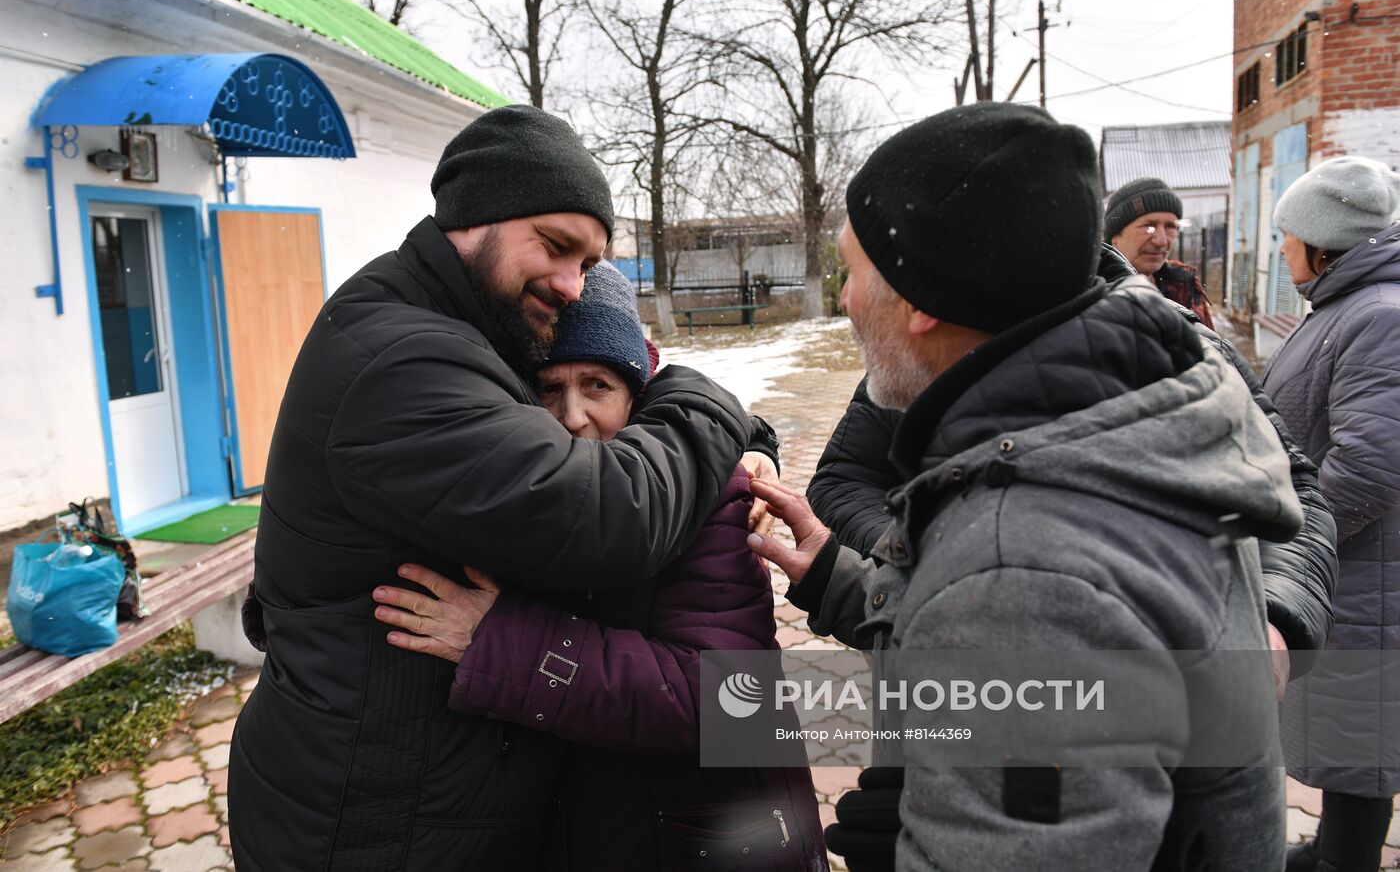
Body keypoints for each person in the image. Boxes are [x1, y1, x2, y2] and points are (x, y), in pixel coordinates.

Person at [746, 101, 1305, 870]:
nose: (842, 297)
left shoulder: (1020, 562)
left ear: (923, 303)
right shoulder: (1111, 417)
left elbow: (1035, 599)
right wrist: (850, 583)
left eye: (855, 269)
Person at [228, 105, 780, 870]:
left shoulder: (456, 329)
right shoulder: (406, 356)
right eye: (556, 247)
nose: (568, 282)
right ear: (475, 216)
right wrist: (718, 409)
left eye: (587, 264)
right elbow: (600, 516)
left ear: (639, 390)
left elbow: (744, 706)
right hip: (373, 828)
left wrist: (737, 435)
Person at [369, 260, 828, 871]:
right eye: (548, 388)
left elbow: (727, 699)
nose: (573, 416)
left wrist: (500, 643)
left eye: (597, 386)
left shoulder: (702, 494)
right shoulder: (508, 486)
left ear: (638, 393)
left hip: (708, 831)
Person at [1259, 155, 1400, 872]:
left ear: (1323, 243)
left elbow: (1373, 467)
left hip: (1364, 571)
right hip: (1356, 568)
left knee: (1362, 736)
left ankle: (1347, 860)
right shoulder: (1350, 308)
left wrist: (1299, 537)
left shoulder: (1377, 317)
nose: (1280, 247)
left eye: (1287, 235)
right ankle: (1336, 850)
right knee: (1354, 736)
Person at [1104, 176, 1215, 326]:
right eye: (1149, 226)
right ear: (1115, 237)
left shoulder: (1183, 286)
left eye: (1170, 227)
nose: (1161, 241)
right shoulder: (1089, 295)